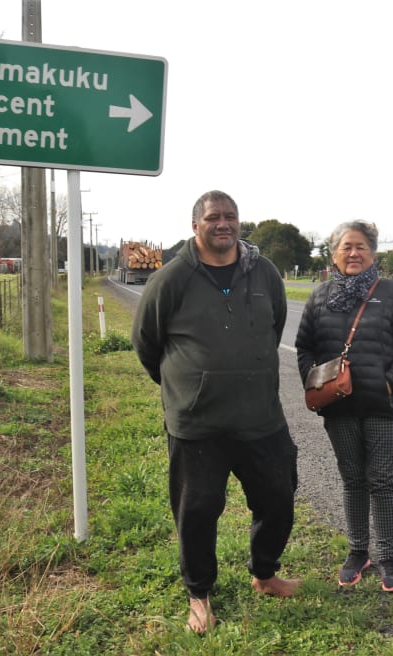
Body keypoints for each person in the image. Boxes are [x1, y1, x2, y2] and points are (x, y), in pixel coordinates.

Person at [131, 190, 301, 633]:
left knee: (279, 500)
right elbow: (147, 345)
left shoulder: (264, 273)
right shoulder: (170, 279)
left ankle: (264, 574)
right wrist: (187, 385)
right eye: (213, 217)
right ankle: (199, 595)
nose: (223, 223)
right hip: (198, 423)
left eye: (230, 216)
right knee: (198, 511)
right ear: (195, 225)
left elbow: (275, 326)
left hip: (261, 417)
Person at [295, 220, 393, 592]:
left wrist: (389, 382)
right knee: (353, 480)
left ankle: (388, 556)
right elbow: (304, 346)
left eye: (361, 247)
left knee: (383, 482)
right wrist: (315, 380)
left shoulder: (392, 294)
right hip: (338, 407)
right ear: (334, 254)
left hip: (384, 407)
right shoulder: (320, 296)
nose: (353, 253)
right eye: (346, 247)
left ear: (372, 253)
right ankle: (357, 552)